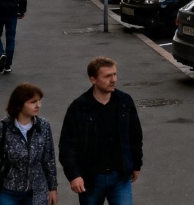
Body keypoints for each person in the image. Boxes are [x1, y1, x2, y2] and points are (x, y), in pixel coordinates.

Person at [59, 57, 143, 205]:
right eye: (107, 76)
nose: (113, 80)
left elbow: (135, 135)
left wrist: (136, 165)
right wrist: (74, 175)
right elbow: (67, 145)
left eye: (115, 74)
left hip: (120, 177)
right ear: (93, 79)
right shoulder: (79, 107)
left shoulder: (124, 101)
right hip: (91, 179)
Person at [0, 83, 58, 205]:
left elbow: (49, 159)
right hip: (7, 191)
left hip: (36, 191)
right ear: (19, 105)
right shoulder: (0, 128)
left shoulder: (43, 126)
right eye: (33, 102)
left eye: (39, 101)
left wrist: (52, 188)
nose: (38, 105)